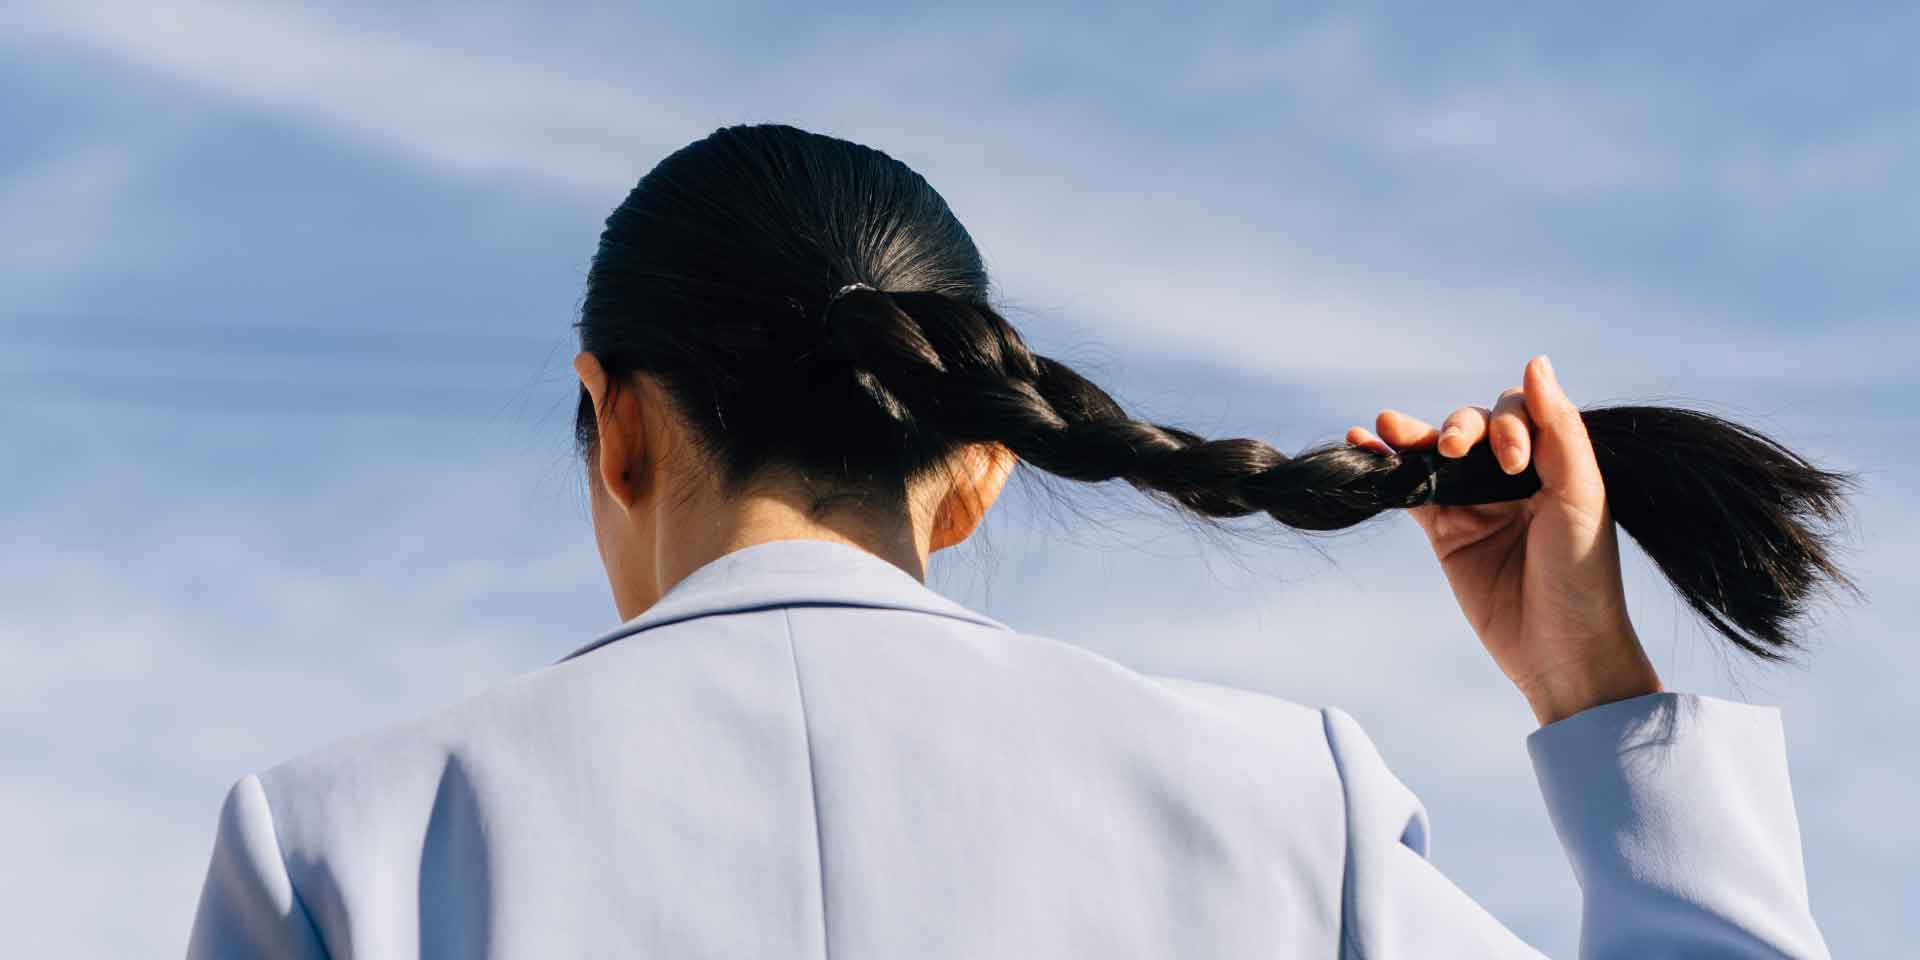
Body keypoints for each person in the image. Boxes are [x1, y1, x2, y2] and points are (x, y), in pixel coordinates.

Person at [186, 124, 1832, 958]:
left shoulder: (337, 844)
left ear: (616, 423)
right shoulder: (1286, 807)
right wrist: (1589, 679)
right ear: (978, 468)